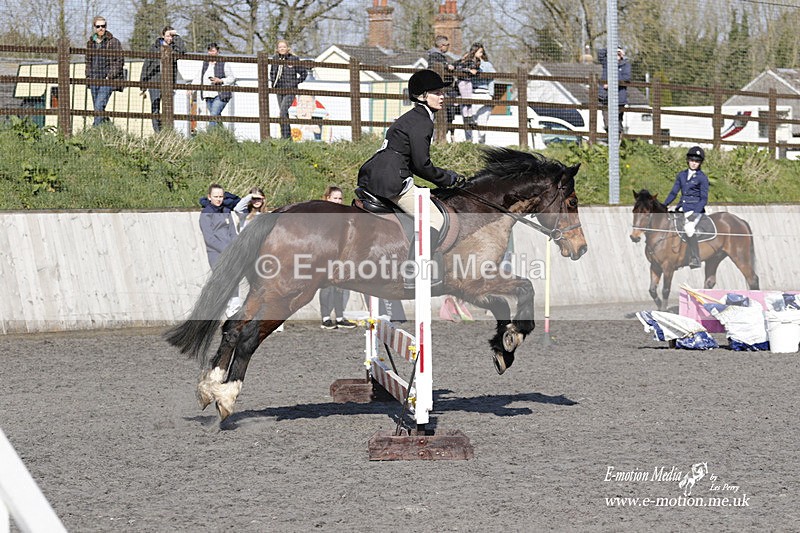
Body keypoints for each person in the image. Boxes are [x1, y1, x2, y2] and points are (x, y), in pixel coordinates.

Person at [357, 69, 463, 238]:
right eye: (437, 93)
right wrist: (447, 179)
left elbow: (413, 162)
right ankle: (416, 257)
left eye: (441, 92)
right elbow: (421, 165)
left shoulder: (412, 117)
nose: (442, 97)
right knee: (435, 220)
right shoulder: (422, 122)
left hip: (377, 173)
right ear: (423, 96)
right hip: (392, 179)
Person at [663, 146, 709, 269]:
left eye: (697, 161)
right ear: (688, 160)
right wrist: (664, 205)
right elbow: (674, 192)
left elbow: (703, 199)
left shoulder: (702, 178)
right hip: (682, 208)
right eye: (692, 160)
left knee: (689, 229)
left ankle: (695, 258)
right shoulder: (682, 175)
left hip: (695, 210)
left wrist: (695, 213)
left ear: (700, 163)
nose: (694, 163)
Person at [318, 186, 357, 330]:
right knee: (327, 286)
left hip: (340, 254)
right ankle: (325, 318)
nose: (338, 201)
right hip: (326, 253)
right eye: (335, 198)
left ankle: (340, 317)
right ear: (328, 198)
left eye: (340, 198)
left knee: (339, 286)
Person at [140, 26, 186, 132]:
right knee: (155, 107)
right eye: (168, 36)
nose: (170, 38)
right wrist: (143, 83)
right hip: (154, 81)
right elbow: (146, 65)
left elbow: (183, 50)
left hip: (169, 82)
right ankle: (158, 132)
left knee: (168, 108)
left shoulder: (174, 49)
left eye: (172, 36)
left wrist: (176, 35)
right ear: (163, 36)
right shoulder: (154, 47)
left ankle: (167, 131)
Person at [85, 16, 124, 127]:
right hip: (94, 79)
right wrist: (88, 76)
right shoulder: (90, 43)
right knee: (98, 108)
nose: (101, 28)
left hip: (107, 80)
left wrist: (110, 76)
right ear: (94, 27)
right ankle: (108, 128)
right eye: (98, 26)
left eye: (103, 26)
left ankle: (94, 130)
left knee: (99, 106)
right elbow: (88, 61)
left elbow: (119, 61)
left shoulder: (113, 42)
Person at [189, 43, 235, 129]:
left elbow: (232, 78)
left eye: (213, 51)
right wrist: (191, 88)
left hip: (220, 95)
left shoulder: (223, 63)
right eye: (209, 51)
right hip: (208, 95)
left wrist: (221, 80)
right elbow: (198, 77)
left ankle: (209, 134)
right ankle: (222, 133)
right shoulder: (205, 63)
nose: (211, 53)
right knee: (216, 117)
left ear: (217, 52)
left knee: (213, 116)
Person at [268, 39, 308, 139]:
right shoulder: (275, 58)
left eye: (284, 47)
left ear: (288, 48)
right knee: (284, 113)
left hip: (290, 90)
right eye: (280, 47)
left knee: (282, 112)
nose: (282, 49)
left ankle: (285, 137)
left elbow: (304, 73)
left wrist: (295, 82)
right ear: (277, 49)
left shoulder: (293, 59)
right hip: (279, 89)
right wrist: (274, 83)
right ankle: (286, 137)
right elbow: (272, 73)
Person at [426, 35, 457, 141]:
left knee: (445, 114)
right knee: (438, 115)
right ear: (441, 45)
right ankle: (437, 139)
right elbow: (436, 68)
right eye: (447, 45)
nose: (448, 47)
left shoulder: (438, 55)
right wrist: (446, 67)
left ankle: (440, 138)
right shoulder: (435, 56)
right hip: (439, 89)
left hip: (441, 89)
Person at [598, 47, 631, 133]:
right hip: (605, 97)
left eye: (618, 53)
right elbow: (600, 54)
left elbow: (626, 78)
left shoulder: (625, 64)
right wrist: (610, 48)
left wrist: (611, 84)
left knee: (617, 122)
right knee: (607, 123)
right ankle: (610, 138)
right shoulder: (607, 63)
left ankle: (619, 138)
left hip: (619, 99)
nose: (617, 55)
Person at [453, 43, 482, 139]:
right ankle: (466, 117)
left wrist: (476, 71)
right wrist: (469, 70)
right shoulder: (467, 59)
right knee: (465, 99)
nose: (481, 54)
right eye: (480, 52)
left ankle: (470, 117)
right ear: (475, 51)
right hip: (462, 81)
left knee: (469, 99)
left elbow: (477, 70)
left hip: (469, 81)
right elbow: (459, 67)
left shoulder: (477, 61)